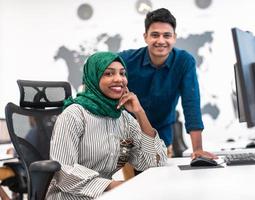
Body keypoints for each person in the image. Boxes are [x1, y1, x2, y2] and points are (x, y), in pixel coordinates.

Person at [46, 52, 167, 199]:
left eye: (122, 74)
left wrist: (140, 113)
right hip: (69, 196)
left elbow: (152, 164)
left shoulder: (124, 119)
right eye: (108, 74)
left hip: (109, 195)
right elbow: (63, 171)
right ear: (94, 78)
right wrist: (112, 186)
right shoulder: (74, 114)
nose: (119, 79)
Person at [119, 8, 217, 159]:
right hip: (127, 137)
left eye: (167, 35)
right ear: (145, 37)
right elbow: (98, 73)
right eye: (155, 35)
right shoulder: (126, 60)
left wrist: (197, 149)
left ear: (174, 37)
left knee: (162, 180)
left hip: (162, 135)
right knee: (132, 183)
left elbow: (191, 103)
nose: (161, 41)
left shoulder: (184, 62)